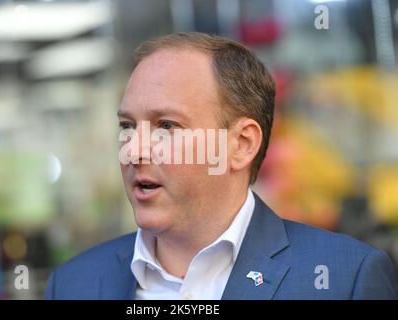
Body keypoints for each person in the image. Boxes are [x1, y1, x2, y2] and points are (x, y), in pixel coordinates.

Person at [44, 32, 398, 300]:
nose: (133, 151)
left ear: (242, 144)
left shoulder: (344, 279)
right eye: (127, 126)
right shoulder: (74, 284)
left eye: (167, 126)